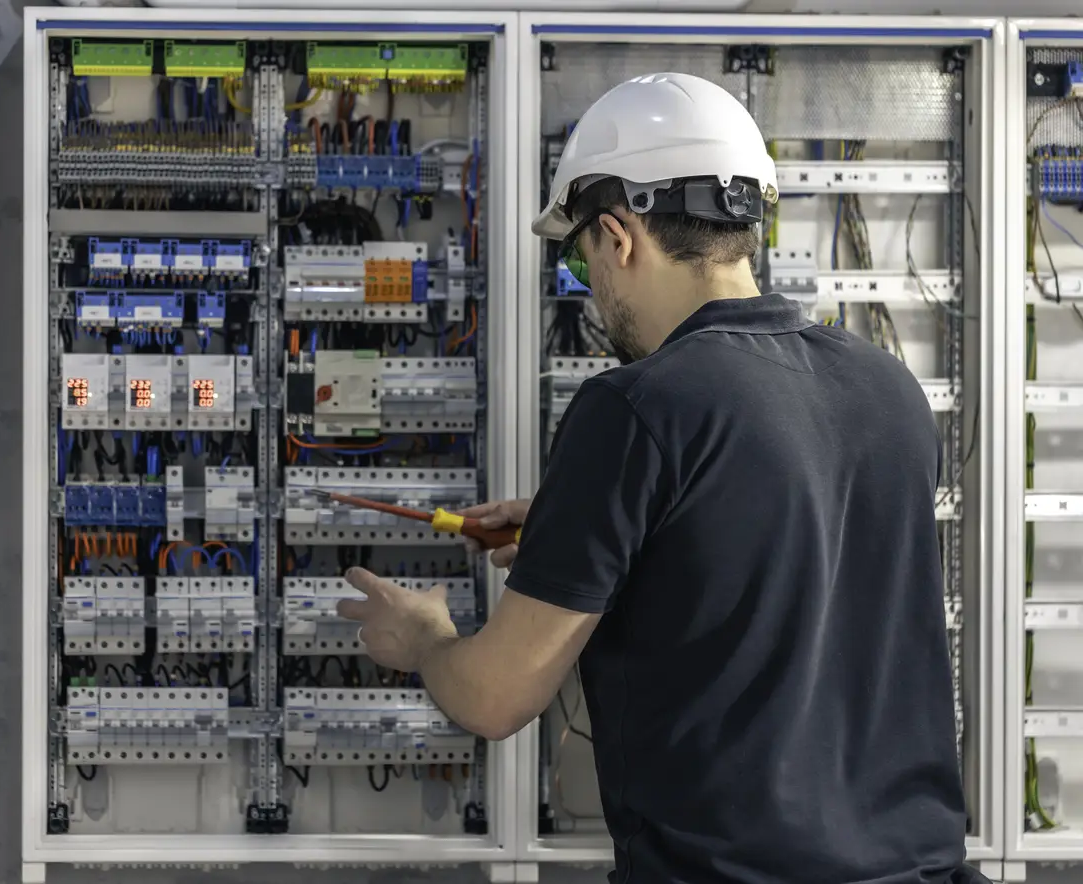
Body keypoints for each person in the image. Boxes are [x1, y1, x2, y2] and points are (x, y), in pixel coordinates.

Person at [337, 72, 975, 884]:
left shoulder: (636, 408)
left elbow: (495, 697)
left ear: (618, 235)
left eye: (580, 257)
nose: (590, 286)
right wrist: (594, 524)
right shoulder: (888, 387)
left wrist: (423, 639)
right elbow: (776, 548)